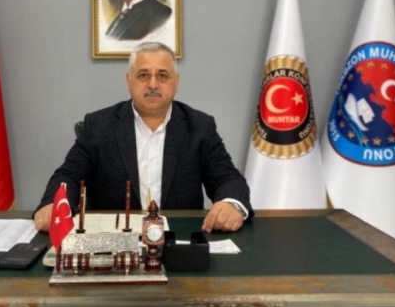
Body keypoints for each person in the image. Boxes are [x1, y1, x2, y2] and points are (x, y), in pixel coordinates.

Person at [33, 42, 253, 233]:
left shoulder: (199, 126)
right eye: (143, 75)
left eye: (162, 76)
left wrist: (231, 204)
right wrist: (55, 204)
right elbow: (69, 175)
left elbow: (227, 178)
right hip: (115, 240)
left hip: (179, 239)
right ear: (129, 81)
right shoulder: (99, 126)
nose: (153, 84)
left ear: (176, 82)